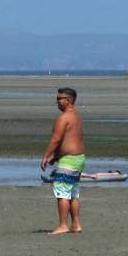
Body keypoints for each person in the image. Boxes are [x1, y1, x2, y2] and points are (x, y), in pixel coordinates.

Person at [40, 87, 86, 235]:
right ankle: (76, 224)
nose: (57, 101)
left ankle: (63, 225)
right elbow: (70, 140)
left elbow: (57, 139)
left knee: (62, 192)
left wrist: (46, 156)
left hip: (69, 160)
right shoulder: (76, 116)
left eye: (60, 99)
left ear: (68, 100)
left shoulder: (64, 117)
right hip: (78, 158)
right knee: (73, 193)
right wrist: (56, 157)